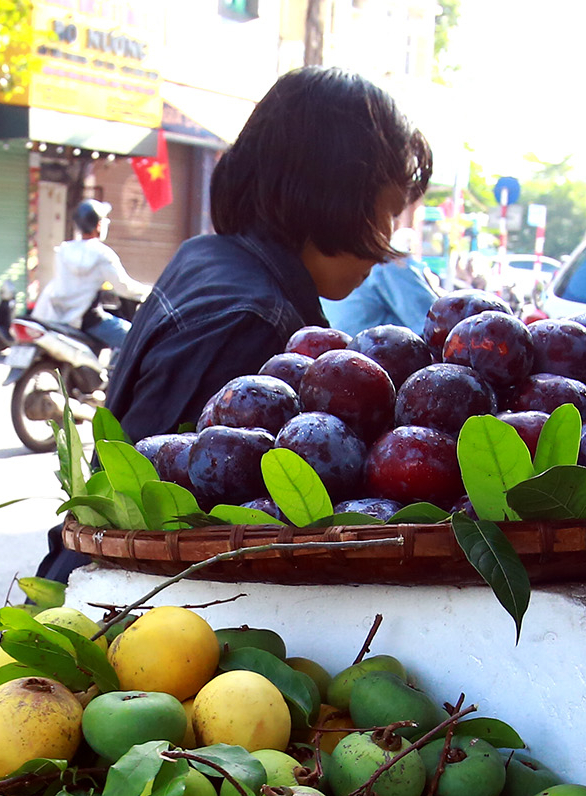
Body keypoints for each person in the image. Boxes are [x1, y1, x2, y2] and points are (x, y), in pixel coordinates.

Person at [36, 67, 432, 579]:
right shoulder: (250, 324)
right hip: (130, 618)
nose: (387, 245)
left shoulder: (210, 258)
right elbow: (164, 520)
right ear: (335, 193)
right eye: (387, 212)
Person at [29, 199, 149, 352]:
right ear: (99, 225)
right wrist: (150, 292)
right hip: (88, 322)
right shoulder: (102, 254)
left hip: (58, 318)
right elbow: (124, 288)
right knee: (134, 338)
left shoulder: (64, 250)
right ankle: (119, 376)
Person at [322, 225, 440, 334]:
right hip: (382, 354)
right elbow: (437, 328)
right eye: (393, 213)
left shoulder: (327, 257)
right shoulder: (387, 261)